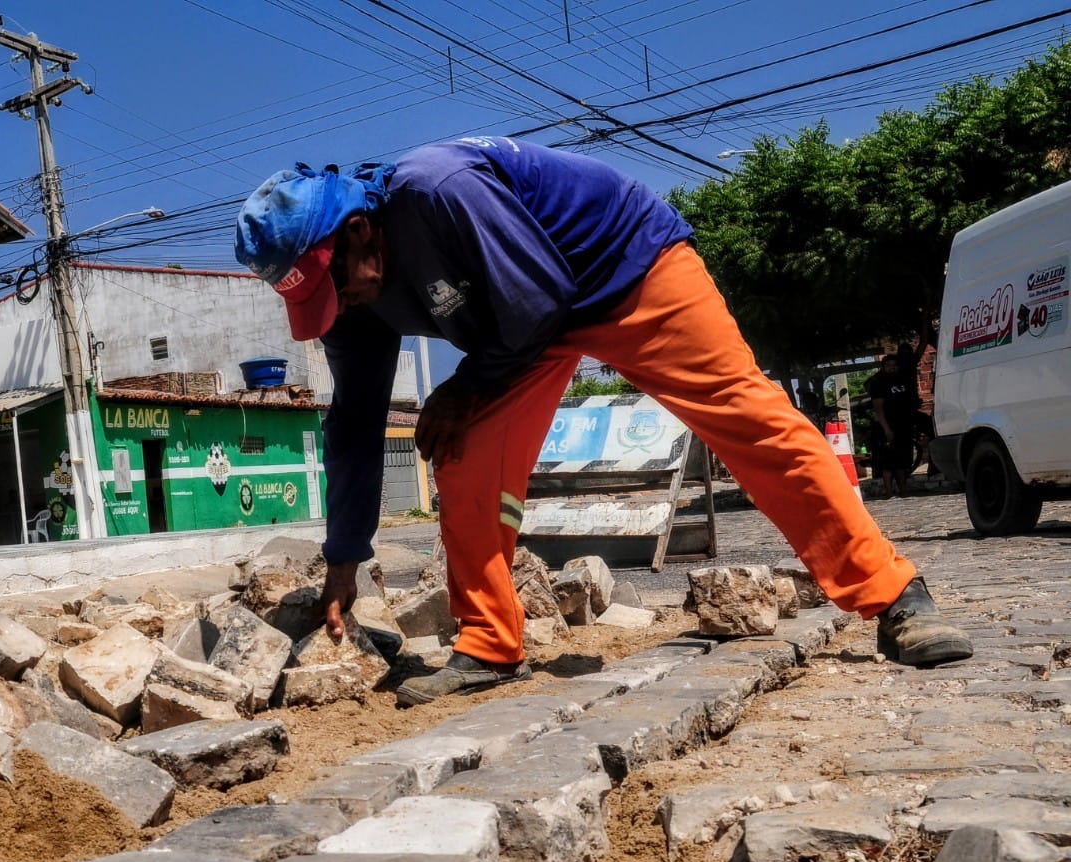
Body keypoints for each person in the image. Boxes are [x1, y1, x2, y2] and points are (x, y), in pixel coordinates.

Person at [234, 137, 973, 705]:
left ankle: (895, 596)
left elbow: (541, 297)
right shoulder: (351, 307)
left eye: (336, 285)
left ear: (362, 231)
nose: (342, 305)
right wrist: (341, 567)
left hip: (625, 265)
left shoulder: (439, 189)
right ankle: (489, 644)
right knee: (457, 451)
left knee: (749, 418)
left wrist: (464, 385)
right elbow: (355, 427)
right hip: (522, 324)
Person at [867, 354, 918, 497]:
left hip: (903, 424)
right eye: (889, 366)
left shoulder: (902, 380)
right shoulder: (878, 382)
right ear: (883, 367)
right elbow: (878, 408)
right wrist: (886, 428)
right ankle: (888, 491)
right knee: (888, 461)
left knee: (902, 460)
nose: (892, 368)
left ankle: (903, 490)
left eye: (894, 365)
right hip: (887, 426)